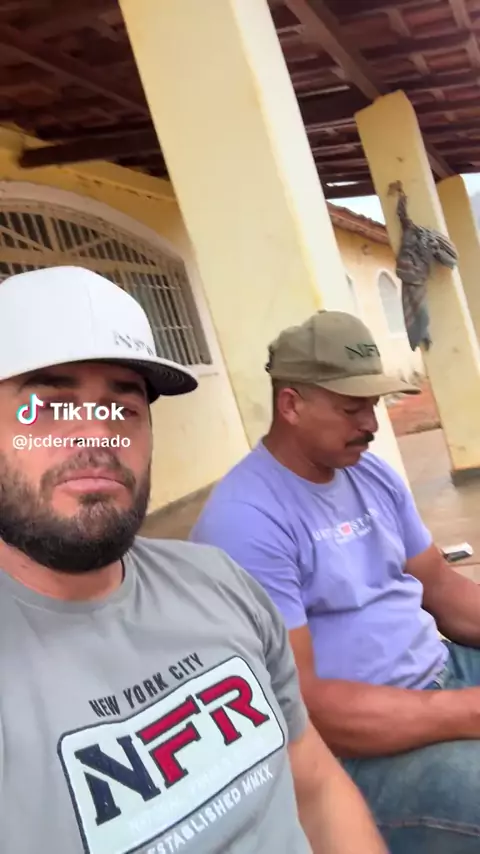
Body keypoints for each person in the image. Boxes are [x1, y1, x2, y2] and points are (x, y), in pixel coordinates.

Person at [0, 268, 385, 854]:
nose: (98, 437)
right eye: (46, 407)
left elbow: (314, 785)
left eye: (123, 408)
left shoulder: (220, 583)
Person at [191, 309, 480, 854]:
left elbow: (442, 588)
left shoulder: (370, 474)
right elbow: (305, 704)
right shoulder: (246, 521)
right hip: (356, 749)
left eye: (373, 404)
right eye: (351, 408)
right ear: (291, 404)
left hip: (443, 674)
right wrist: (467, 712)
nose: (371, 424)